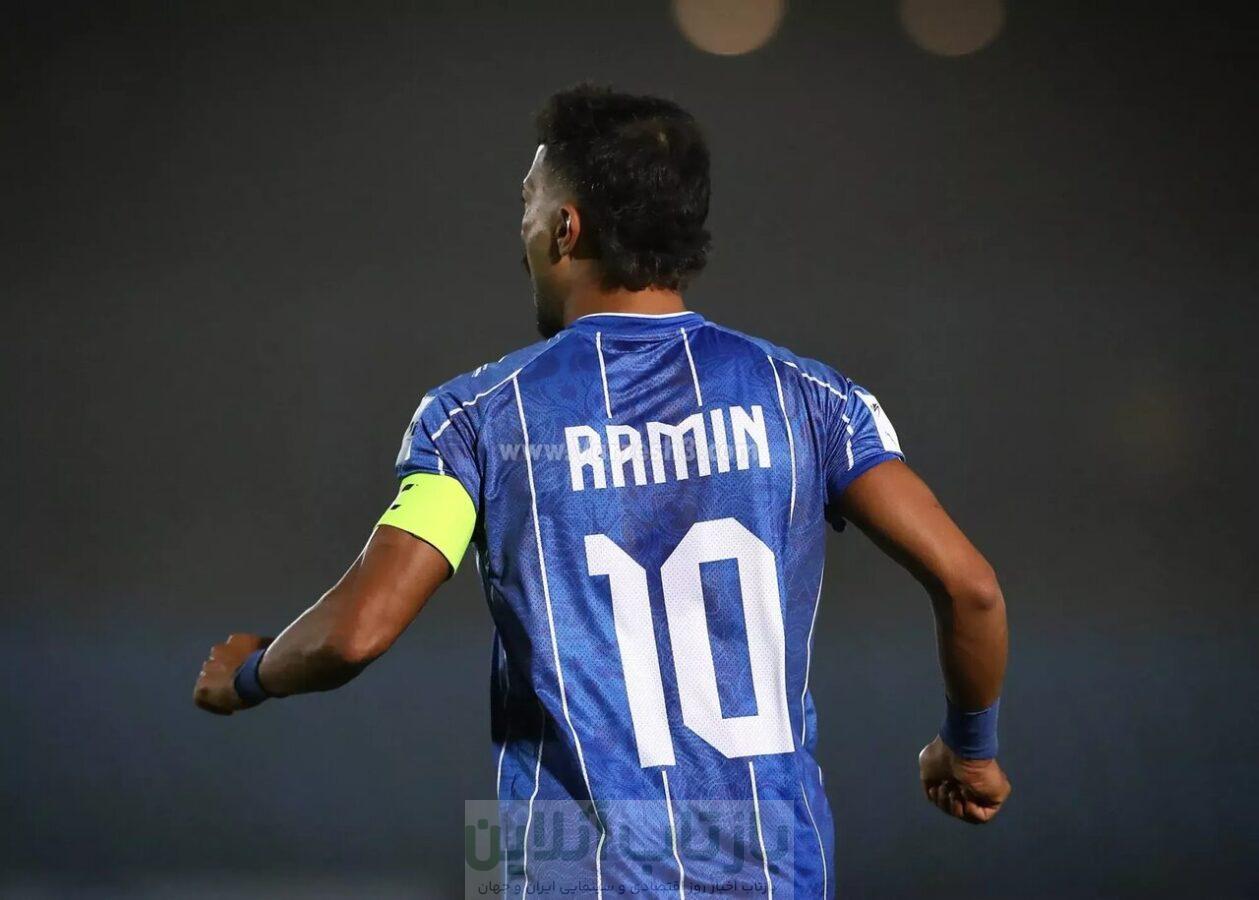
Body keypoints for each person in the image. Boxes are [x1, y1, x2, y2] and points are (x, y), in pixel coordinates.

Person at [194, 84, 1010, 897]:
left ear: (565, 227)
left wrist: (251, 672)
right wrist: (967, 748)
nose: (519, 230)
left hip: (567, 871)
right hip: (769, 865)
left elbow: (358, 631)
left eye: (526, 202)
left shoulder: (478, 417)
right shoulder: (811, 399)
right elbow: (970, 587)